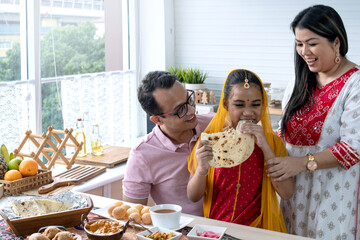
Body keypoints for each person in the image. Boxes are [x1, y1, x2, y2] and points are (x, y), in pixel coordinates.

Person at [266, 5, 360, 239]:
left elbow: (353, 149)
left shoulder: (354, 84)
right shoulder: (299, 81)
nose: (304, 51)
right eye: (299, 43)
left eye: (312, 42)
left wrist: (302, 163)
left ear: (336, 42)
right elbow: (283, 133)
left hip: (335, 196)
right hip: (293, 193)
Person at [187, 69, 294, 232]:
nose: (248, 112)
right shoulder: (211, 140)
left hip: (258, 230)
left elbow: (286, 193)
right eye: (239, 105)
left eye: (256, 104)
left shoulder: (272, 142)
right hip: (218, 229)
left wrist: (265, 147)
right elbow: (193, 196)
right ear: (225, 105)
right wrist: (202, 169)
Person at [122, 71, 214, 216]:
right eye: (180, 110)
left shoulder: (213, 125)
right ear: (158, 120)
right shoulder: (142, 156)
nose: (191, 110)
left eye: (189, 100)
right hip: (181, 232)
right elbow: (132, 216)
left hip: (230, 225)